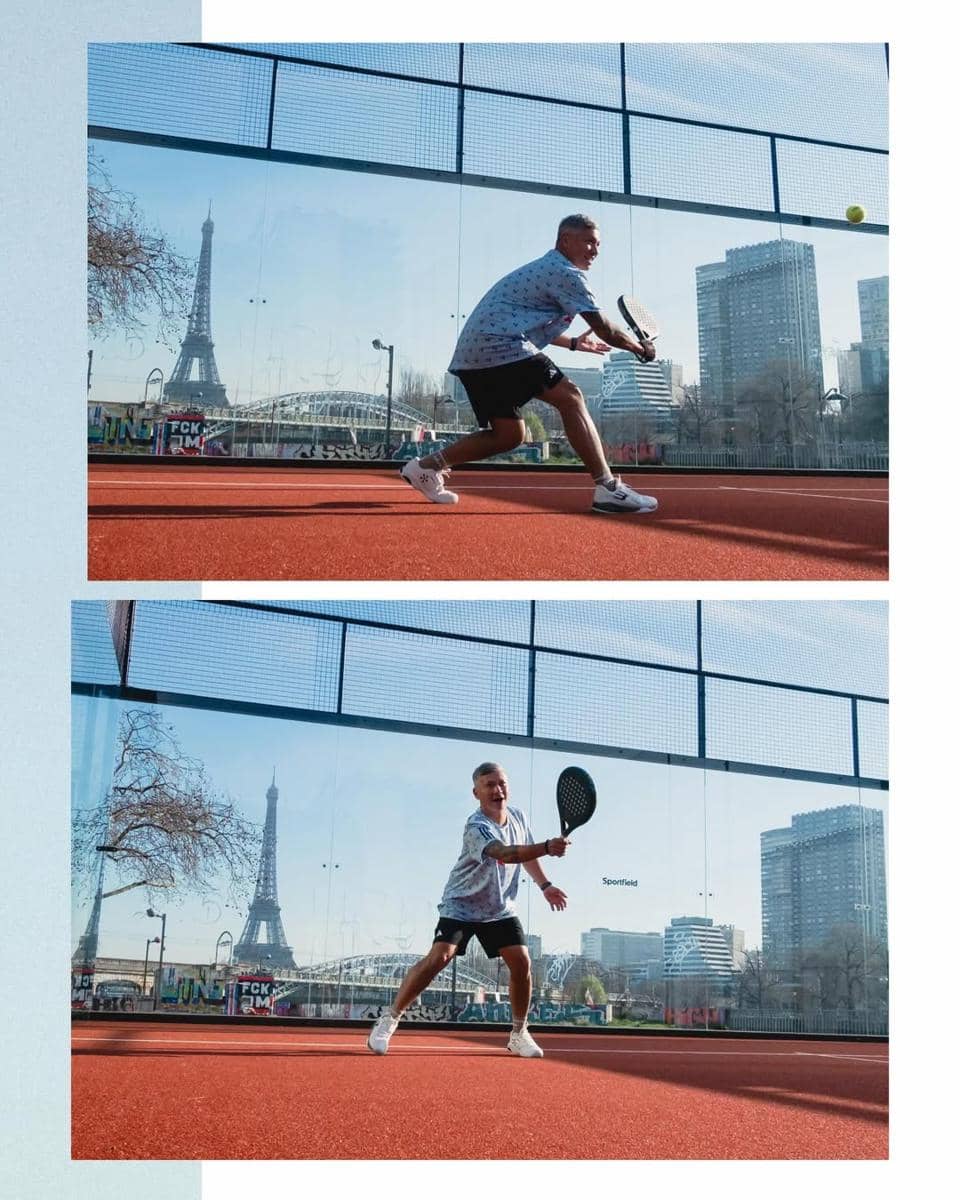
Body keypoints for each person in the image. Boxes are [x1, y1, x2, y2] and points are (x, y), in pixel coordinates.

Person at [400, 214, 658, 514]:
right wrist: (641, 348)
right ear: (565, 241)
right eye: (588, 242)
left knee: (508, 435)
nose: (595, 251)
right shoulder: (565, 272)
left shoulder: (548, 270)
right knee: (571, 396)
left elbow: (525, 319)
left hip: (475, 354)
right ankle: (608, 488)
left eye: (598, 244)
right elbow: (605, 329)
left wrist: (573, 343)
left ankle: (425, 468)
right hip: (499, 345)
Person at [367, 762, 570, 1058]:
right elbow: (507, 854)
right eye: (489, 785)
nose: (497, 790)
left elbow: (525, 854)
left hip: (499, 909)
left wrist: (545, 885)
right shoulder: (476, 827)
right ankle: (390, 1018)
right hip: (461, 903)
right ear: (476, 792)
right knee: (440, 957)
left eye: (501, 783)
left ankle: (519, 1032)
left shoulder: (518, 817)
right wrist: (547, 847)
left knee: (522, 963)